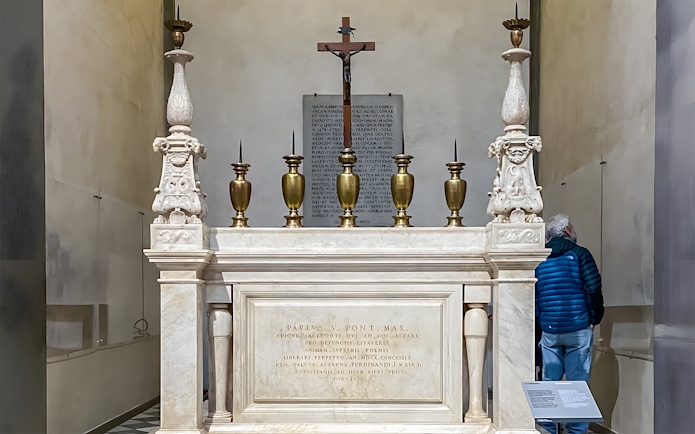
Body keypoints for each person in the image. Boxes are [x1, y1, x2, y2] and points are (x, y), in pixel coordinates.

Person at [535, 214, 604, 434]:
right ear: (566, 231)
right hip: (577, 328)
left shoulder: (539, 259)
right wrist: (595, 318)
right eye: (572, 227)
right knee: (577, 385)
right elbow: (593, 288)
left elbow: (534, 296)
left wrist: (542, 321)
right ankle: (575, 431)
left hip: (550, 330)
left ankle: (547, 428)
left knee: (549, 382)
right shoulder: (580, 254)